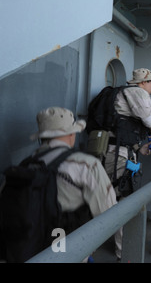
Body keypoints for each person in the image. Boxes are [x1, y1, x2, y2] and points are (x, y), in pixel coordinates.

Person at [30, 106, 122, 261]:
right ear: (71, 134)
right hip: (68, 247)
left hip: (30, 245)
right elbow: (109, 214)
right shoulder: (86, 164)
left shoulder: (27, 164)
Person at [103, 68, 151, 197]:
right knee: (117, 192)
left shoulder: (124, 92)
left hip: (118, 149)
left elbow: (124, 130)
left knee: (116, 191)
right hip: (118, 153)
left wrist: (138, 148)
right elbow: (149, 119)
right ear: (143, 82)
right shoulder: (137, 92)